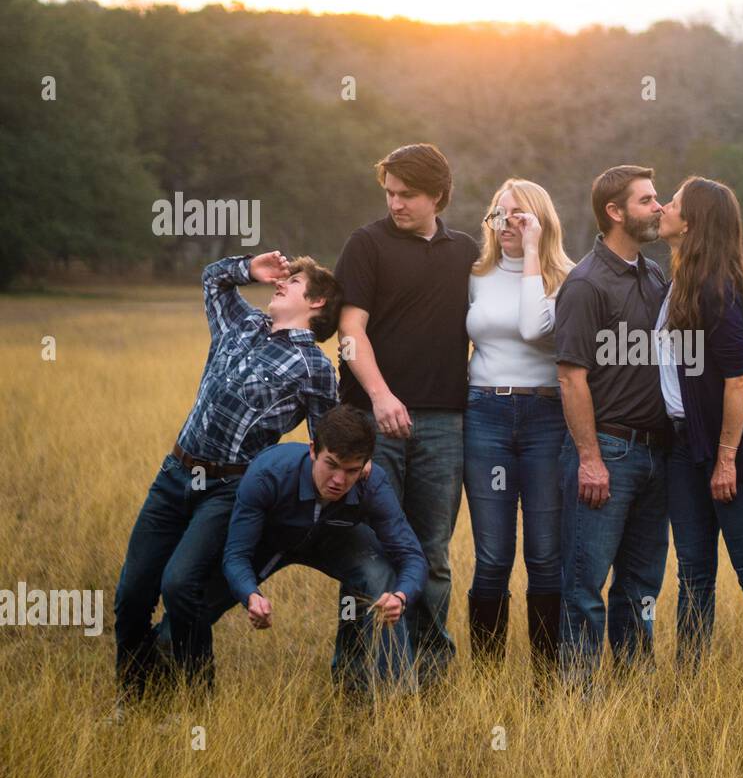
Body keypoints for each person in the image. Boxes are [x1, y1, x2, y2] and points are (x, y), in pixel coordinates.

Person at [113, 251, 340, 701]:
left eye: (292, 281)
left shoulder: (315, 368)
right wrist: (249, 269)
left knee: (181, 585)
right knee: (132, 594)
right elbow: (212, 280)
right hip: (175, 474)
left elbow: (324, 446)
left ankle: (196, 701)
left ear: (317, 302)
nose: (281, 283)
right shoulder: (243, 324)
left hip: (227, 488)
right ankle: (135, 697)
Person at [332, 143, 479, 685]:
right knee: (369, 552)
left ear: (438, 195)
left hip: (444, 424)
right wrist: (380, 396)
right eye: (389, 193)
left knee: (432, 554)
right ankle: (354, 675)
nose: (396, 204)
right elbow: (350, 333)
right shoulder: (366, 245)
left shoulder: (466, 252)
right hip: (374, 424)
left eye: (408, 195)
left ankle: (429, 673)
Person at [656, 176, 743, 678]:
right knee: (693, 574)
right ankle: (690, 684)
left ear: (692, 222)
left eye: (673, 202)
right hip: (684, 447)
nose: (664, 207)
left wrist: (725, 459)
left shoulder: (717, 290)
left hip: (733, 449)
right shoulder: (680, 280)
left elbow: (737, 381)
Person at [553, 165, 671, 693]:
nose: (659, 207)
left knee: (641, 584)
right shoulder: (584, 284)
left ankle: (632, 687)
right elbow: (571, 376)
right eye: (647, 200)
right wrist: (590, 457)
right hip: (610, 452)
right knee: (585, 584)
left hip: (657, 455)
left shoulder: (653, 276)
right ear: (615, 212)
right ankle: (580, 697)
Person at [220, 405, 428, 692]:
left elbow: (411, 555)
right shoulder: (267, 474)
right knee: (194, 598)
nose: (339, 480)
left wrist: (401, 597)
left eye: (352, 470)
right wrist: (250, 595)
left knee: (381, 575)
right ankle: (169, 672)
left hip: (334, 539)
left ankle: (393, 696)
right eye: (331, 464)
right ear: (313, 450)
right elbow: (236, 555)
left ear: (366, 464)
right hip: (272, 540)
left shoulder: (373, 483)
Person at [463, 179, 574, 676]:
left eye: (517, 215)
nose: (504, 224)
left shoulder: (568, 279)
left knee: (546, 555)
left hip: (547, 418)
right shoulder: (474, 275)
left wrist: (532, 253)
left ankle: (547, 677)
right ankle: (486, 678)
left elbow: (534, 328)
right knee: (492, 555)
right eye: (498, 214)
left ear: (540, 220)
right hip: (485, 414)